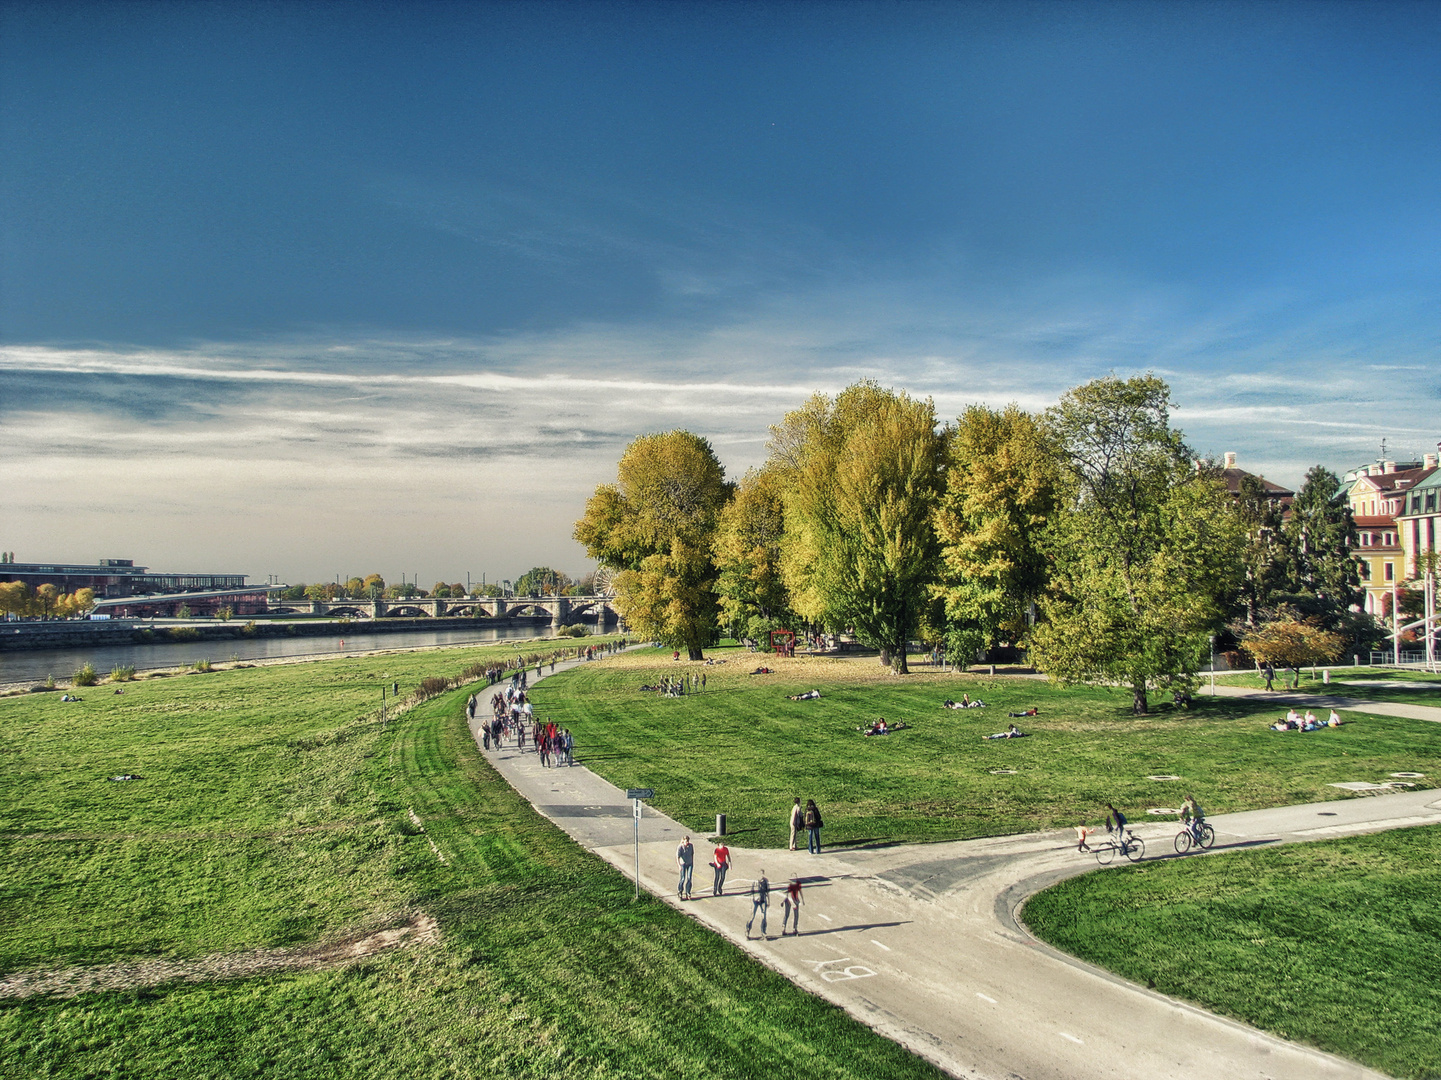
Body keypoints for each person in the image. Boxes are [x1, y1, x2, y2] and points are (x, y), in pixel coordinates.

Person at [746, 870, 770, 939]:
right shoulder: (755, 882)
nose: (761, 876)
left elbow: (767, 892)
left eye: (762, 874)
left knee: (763, 916)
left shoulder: (765, 881)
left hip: (763, 900)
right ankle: (747, 931)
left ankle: (763, 932)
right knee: (752, 916)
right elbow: (752, 892)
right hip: (755, 901)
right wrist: (751, 903)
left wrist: (768, 901)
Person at [676, 835, 695, 900]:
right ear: (683, 841)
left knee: (689, 878)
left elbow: (692, 854)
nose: (687, 842)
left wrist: (692, 862)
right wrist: (679, 865)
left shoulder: (691, 846)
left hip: (689, 863)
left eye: (688, 841)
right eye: (686, 841)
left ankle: (688, 892)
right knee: (683, 878)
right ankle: (680, 891)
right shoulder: (680, 847)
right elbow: (677, 857)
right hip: (683, 864)